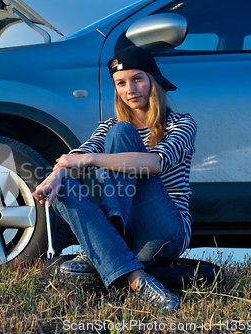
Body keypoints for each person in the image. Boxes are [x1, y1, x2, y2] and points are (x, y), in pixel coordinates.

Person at [32, 46, 196, 311]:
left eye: (138, 79)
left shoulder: (180, 123)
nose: (130, 89)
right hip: (128, 235)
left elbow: (154, 163)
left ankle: (105, 244)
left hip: (164, 234)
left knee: (122, 133)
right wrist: (54, 177)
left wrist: (90, 160)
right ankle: (137, 280)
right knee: (60, 186)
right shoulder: (107, 126)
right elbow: (79, 155)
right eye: (121, 83)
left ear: (153, 81)